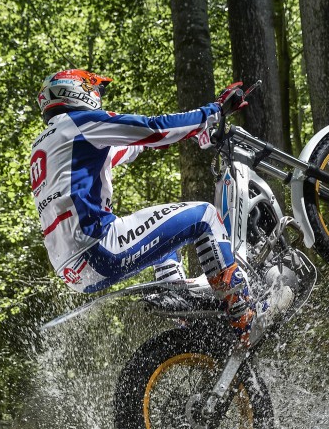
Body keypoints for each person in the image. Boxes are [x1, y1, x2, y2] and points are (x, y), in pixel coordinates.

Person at [29, 68, 258, 342]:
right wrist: (213, 112)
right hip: (99, 248)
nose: (98, 95)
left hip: (73, 271)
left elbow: (130, 146)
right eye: (94, 89)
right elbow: (153, 129)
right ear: (75, 90)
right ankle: (244, 314)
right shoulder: (79, 122)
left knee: (164, 238)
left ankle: (189, 322)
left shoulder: (49, 142)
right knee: (205, 216)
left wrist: (192, 131)